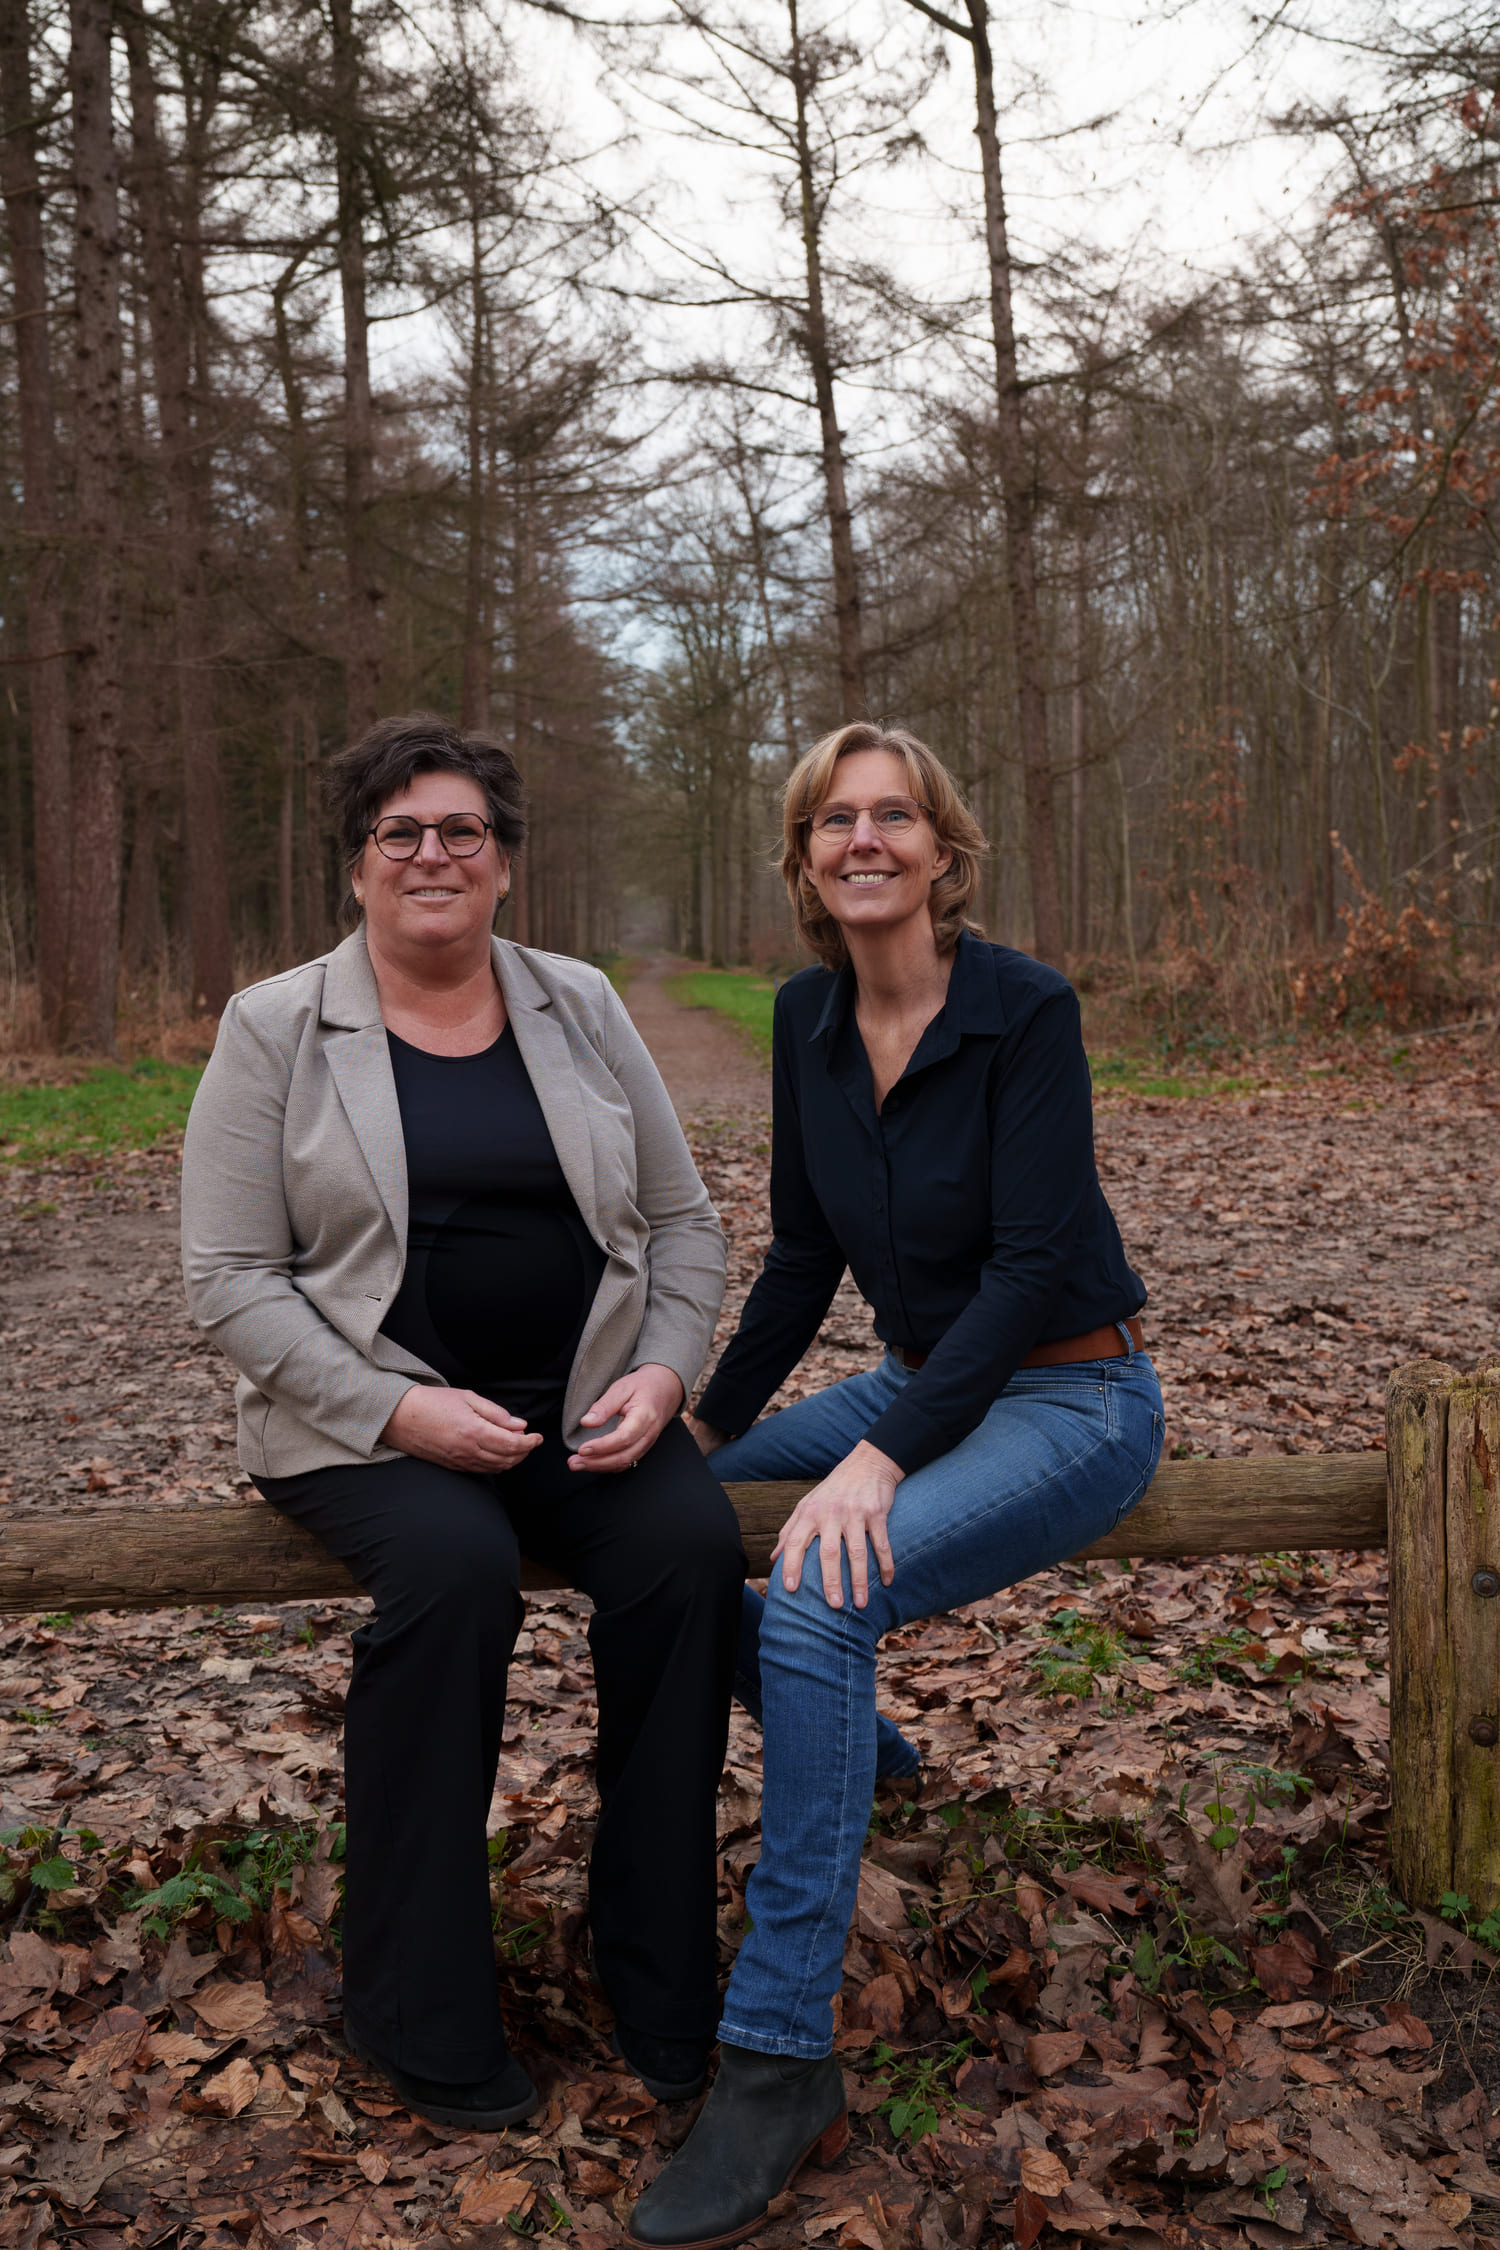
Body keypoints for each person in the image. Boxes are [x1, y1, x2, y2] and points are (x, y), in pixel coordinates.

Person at [629, 722, 1163, 2250]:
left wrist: (876, 1457)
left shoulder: (1024, 1010)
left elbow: (1032, 1265)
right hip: (923, 1381)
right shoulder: (806, 1016)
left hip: (1073, 1390)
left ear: (942, 849)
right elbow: (804, 1258)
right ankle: (861, 1745)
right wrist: (707, 1426)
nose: (864, 839)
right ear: (806, 860)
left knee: (813, 1594)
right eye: (834, 819)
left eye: (894, 815)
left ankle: (777, 2052)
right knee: (661, 1523)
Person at [181, 714, 744, 2134]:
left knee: (688, 1554)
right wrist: (398, 1408)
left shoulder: (581, 1003)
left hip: (587, 1406)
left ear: (501, 862)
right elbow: (229, 1278)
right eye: (401, 833)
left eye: (462, 831)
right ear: (358, 864)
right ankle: (415, 2005)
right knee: (454, 1569)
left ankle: (660, 1975)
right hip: (362, 1422)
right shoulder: (274, 1025)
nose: (431, 854)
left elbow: (684, 1223)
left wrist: (665, 1376)